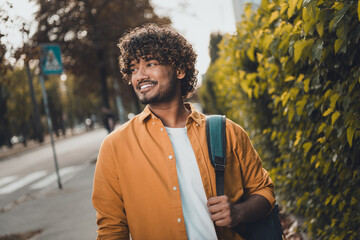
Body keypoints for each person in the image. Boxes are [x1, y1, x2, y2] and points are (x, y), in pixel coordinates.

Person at [92, 24, 275, 240]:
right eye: (133, 68)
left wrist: (238, 212)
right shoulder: (115, 146)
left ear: (179, 70)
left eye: (150, 64)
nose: (139, 75)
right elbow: (111, 230)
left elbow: (265, 192)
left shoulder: (227, 132)